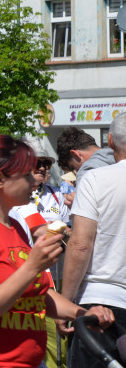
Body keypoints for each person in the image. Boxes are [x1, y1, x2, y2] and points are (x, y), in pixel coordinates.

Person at [0, 135, 115, 368]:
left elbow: (36, 293)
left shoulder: (13, 225)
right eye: (25, 175)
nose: (34, 181)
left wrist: (80, 313)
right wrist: (33, 266)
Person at [60, 113, 126, 368]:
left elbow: (80, 244)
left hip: (101, 302)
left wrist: (65, 303)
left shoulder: (96, 179)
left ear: (109, 141)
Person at [56, 126, 114, 190]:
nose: (77, 172)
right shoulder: (120, 157)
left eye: (73, 168)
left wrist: (75, 198)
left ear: (75, 154)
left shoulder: (86, 173)